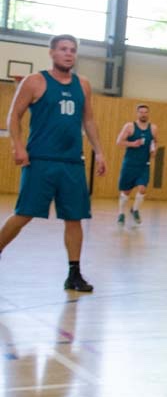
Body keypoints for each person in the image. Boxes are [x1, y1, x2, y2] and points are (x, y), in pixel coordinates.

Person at [0, 34, 106, 292]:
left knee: (74, 218)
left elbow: (88, 120)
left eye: (72, 50)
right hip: (41, 160)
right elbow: (14, 116)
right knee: (24, 213)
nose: (69, 54)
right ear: (52, 53)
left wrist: (99, 152)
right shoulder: (35, 81)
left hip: (72, 162)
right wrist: (18, 145)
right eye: (63, 49)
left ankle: (74, 274)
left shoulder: (83, 84)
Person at [115, 104, 158, 227]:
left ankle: (135, 210)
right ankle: (121, 214)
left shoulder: (153, 128)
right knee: (126, 192)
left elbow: (154, 141)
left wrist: (154, 150)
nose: (143, 114)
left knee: (142, 189)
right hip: (130, 164)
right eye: (141, 112)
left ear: (148, 114)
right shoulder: (129, 126)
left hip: (144, 165)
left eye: (145, 112)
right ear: (137, 113)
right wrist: (132, 143)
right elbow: (119, 142)